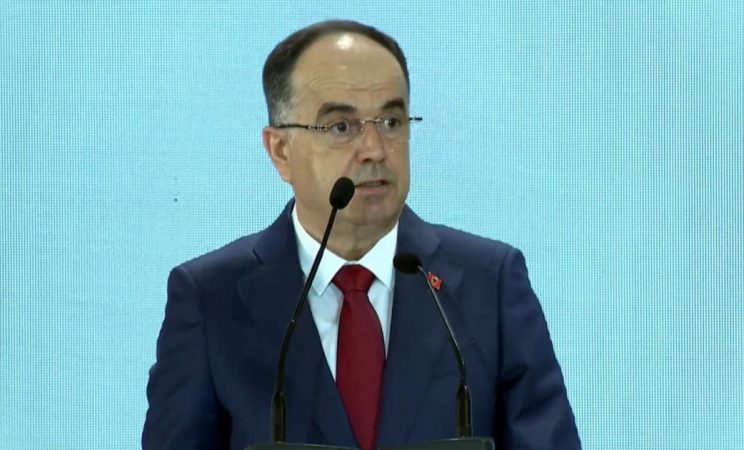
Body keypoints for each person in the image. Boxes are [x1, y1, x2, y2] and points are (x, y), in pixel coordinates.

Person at [142, 19, 581, 450]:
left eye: (391, 122)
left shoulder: (490, 281)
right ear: (280, 150)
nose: (374, 150)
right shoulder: (210, 297)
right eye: (341, 126)